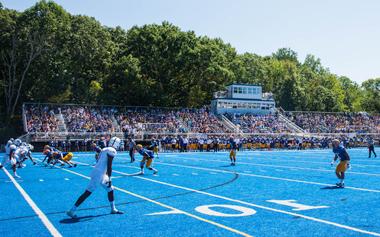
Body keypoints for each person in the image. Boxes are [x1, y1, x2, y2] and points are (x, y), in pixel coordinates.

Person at [66, 137, 123, 218]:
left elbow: (99, 160)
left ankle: (113, 209)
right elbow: (109, 165)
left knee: (110, 189)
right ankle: (72, 210)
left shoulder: (105, 149)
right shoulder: (112, 151)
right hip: (99, 174)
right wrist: (110, 178)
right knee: (87, 192)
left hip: (100, 173)